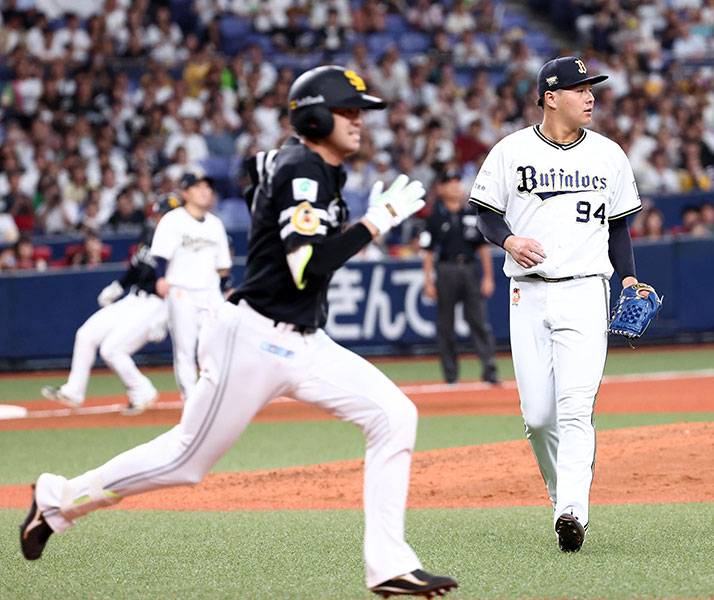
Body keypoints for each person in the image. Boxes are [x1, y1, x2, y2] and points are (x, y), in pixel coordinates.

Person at [20, 65, 458, 600]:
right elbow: (307, 266)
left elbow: (256, 170)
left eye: (359, 111)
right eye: (348, 110)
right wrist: (375, 222)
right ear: (316, 115)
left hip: (304, 340)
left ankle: (389, 565)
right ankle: (59, 500)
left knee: (394, 414)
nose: (359, 121)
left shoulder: (310, 167)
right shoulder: (304, 166)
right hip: (254, 340)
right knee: (185, 461)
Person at [469, 57, 651, 552]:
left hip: (587, 289)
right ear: (551, 97)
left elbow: (618, 226)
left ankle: (573, 510)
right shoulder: (511, 151)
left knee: (574, 409)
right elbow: (484, 215)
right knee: (539, 418)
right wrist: (508, 241)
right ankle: (560, 498)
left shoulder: (609, 155)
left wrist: (629, 277)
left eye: (592, 88)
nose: (590, 96)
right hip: (525, 292)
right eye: (579, 89)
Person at [40, 195, 179, 415]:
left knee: (112, 350)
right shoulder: (150, 233)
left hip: (157, 304)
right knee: (86, 334)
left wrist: (166, 316)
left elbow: (181, 284)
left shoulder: (181, 242)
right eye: (159, 214)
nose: (159, 218)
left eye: (165, 215)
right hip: (134, 298)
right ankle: (73, 391)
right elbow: (138, 266)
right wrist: (118, 285)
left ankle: (142, 391)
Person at [151, 170, 232, 405]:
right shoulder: (173, 220)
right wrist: (160, 279)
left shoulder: (215, 224)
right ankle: (191, 401)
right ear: (185, 193)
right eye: (198, 187)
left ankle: (216, 395)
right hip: (182, 291)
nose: (205, 191)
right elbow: (160, 255)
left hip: (211, 293)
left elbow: (223, 264)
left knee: (219, 345)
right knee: (185, 350)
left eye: (207, 187)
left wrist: (227, 288)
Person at [420, 169, 499, 385]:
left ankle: (490, 370)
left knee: (479, 321)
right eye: (450, 183)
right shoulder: (434, 218)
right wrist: (428, 281)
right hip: (445, 269)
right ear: (440, 188)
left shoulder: (472, 215)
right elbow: (427, 252)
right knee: (445, 324)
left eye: (457, 182)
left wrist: (488, 277)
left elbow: (483, 249)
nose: (455, 186)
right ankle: (451, 375)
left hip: (470, 268)